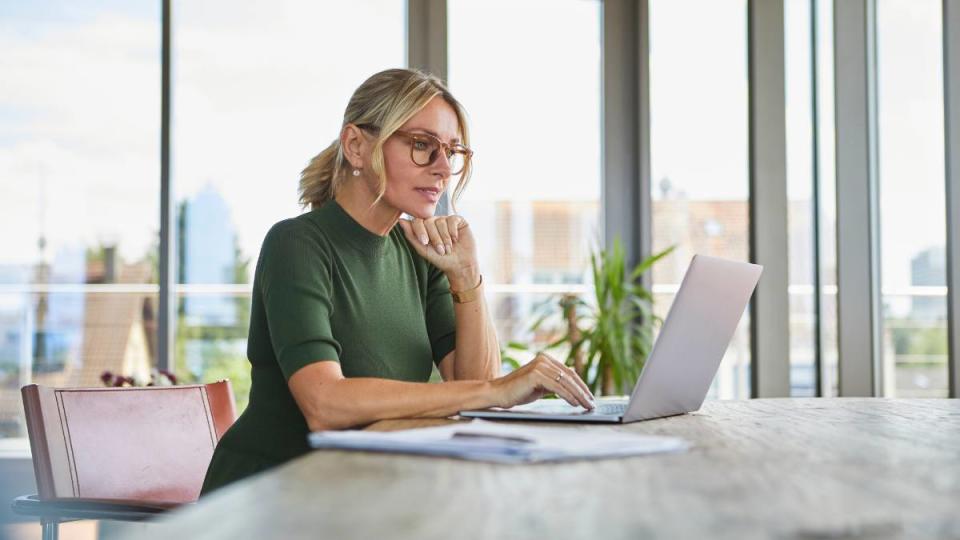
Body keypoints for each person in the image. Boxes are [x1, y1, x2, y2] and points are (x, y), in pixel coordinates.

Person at [200, 68, 595, 494]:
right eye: (423, 146)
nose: (443, 168)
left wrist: (466, 276)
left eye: (452, 151)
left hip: (367, 487)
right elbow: (325, 403)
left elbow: (472, 384)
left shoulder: (417, 251)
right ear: (356, 145)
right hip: (272, 492)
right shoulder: (297, 244)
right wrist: (496, 390)